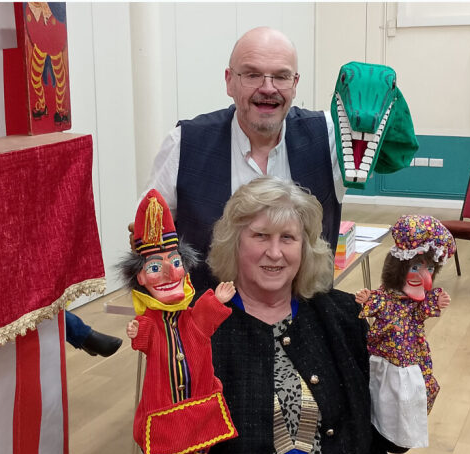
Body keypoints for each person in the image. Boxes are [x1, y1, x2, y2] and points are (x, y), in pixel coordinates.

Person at [204, 177, 406, 454]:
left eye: (288, 238)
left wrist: (403, 372)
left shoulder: (344, 314)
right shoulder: (203, 326)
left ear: (305, 248)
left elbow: (389, 437)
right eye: (260, 235)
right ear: (234, 243)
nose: (274, 253)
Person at [141, 26, 346, 296]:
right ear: (229, 81)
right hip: (207, 324)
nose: (268, 88)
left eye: (281, 76)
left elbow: (391, 145)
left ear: (295, 84)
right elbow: (148, 233)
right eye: (252, 74)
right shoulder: (184, 143)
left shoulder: (330, 136)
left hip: (306, 321)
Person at [120, 189, 237, 454]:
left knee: (200, 441)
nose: (170, 273)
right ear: (140, 277)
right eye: (155, 267)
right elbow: (146, 339)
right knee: (168, 445)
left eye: (175, 263)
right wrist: (138, 332)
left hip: (198, 396)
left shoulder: (189, 317)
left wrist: (217, 300)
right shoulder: (151, 321)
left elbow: (202, 321)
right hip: (165, 403)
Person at [355, 215, 455, 449]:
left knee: (409, 393)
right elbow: (374, 302)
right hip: (384, 355)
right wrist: (367, 298)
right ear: (399, 266)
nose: (425, 276)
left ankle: (399, 431)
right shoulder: (385, 297)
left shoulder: (417, 303)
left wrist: (437, 301)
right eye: (416, 267)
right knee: (382, 391)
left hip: (411, 357)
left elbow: (422, 310)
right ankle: (382, 426)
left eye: (430, 268)